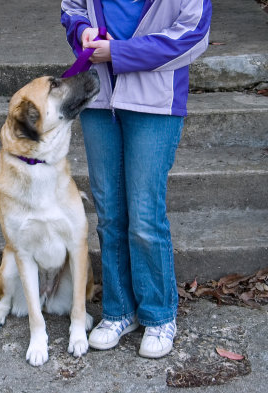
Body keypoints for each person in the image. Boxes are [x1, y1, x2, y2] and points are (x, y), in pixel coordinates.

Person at [61, 0, 212, 358]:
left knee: (145, 215)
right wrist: (81, 31)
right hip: (99, 97)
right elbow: (72, 8)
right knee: (110, 215)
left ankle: (159, 315)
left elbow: (192, 33)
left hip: (155, 101)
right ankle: (119, 311)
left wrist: (119, 52)